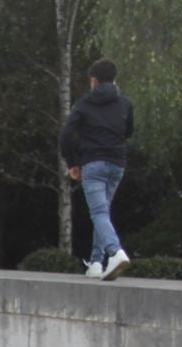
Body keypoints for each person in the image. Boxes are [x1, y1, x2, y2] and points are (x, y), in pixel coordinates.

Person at [62, 58, 136, 280]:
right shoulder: (125, 103)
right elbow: (128, 131)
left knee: (99, 212)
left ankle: (115, 252)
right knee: (102, 212)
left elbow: (66, 135)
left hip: (93, 163)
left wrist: (73, 162)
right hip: (117, 163)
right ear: (114, 79)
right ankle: (96, 263)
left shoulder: (84, 104)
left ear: (93, 80)